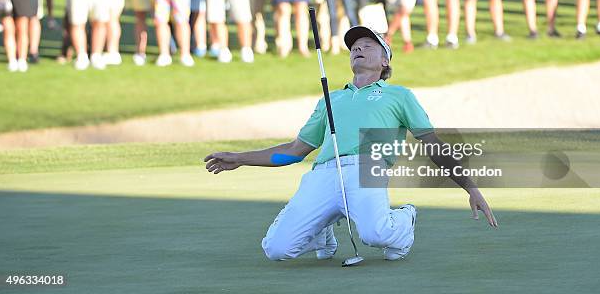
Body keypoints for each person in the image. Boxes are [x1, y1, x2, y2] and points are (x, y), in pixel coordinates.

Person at [204, 25, 498, 262]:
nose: (358, 49)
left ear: (385, 60)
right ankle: (322, 233)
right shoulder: (331, 99)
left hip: (367, 168)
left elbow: (432, 144)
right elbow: (294, 152)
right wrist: (240, 158)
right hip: (323, 174)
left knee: (377, 235)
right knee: (277, 250)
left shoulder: (399, 95)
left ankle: (405, 218)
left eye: (368, 45)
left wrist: (470, 187)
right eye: (354, 47)